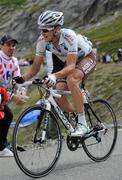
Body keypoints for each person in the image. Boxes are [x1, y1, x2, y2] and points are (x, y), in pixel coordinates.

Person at [15, 11, 96, 137]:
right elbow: (35, 68)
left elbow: (70, 66)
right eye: (41, 30)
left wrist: (54, 76)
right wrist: (22, 78)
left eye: (45, 30)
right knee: (58, 90)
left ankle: (83, 124)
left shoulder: (69, 36)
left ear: (56, 29)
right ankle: (75, 117)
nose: (42, 33)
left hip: (86, 57)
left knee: (71, 79)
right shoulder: (42, 40)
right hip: (71, 62)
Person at [0, 35, 25, 157]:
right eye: (8, 45)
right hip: (1, 94)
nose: (11, 48)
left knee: (7, 115)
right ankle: (1, 147)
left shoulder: (14, 61)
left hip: (2, 94)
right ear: (1, 45)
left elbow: (18, 80)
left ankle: (2, 144)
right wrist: (12, 96)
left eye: (13, 45)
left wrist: (22, 92)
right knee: (7, 115)